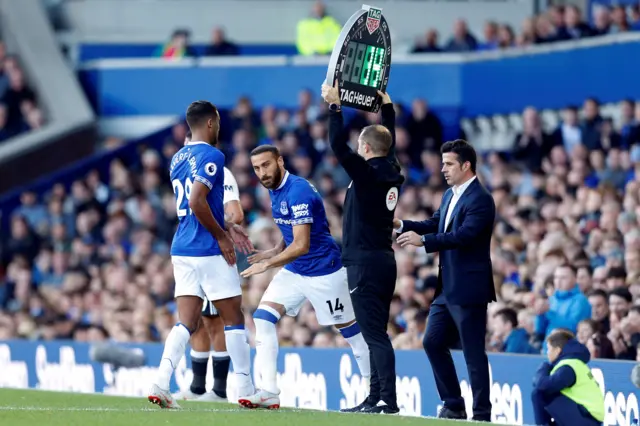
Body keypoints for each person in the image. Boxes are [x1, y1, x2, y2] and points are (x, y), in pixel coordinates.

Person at [238, 145, 371, 409]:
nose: (262, 172)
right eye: (256, 168)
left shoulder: (297, 191)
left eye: (266, 165)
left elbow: (302, 245)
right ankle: (269, 391)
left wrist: (269, 266)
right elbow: (290, 234)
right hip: (295, 270)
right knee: (262, 318)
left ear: (280, 161)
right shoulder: (275, 190)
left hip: (325, 271)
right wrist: (273, 251)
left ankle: (374, 390)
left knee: (351, 332)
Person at [148, 100, 255, 409]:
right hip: (208, 247)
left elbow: (194, 206)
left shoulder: (177, 158)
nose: (219, 127)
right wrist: (222, 236)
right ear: (210, 123)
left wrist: (227, 228)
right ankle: (246, 389)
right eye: (218, 121)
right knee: (233, 317)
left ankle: (160, 382)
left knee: (186, 321)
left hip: (181, 247)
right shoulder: (213, 155)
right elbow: (197, 202)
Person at [395, 139, 496, 421]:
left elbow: (463, 236)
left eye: (449, 164)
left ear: (466, 166)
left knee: (473, 353)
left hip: (469, 287)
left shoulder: (481, 199)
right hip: (446, 287)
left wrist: (424, 241)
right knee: (432, 341)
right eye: (442, 163)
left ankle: (481, 414)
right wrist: (402, 224)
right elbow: (435, 223)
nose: (443, 169)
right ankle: (453, 403)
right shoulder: (450, 195)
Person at [321, 81, 404, 414]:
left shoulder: (369, 174)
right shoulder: (391, 169)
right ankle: (375, 397)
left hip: (365, 264)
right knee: (374, 333)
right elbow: (389, 139)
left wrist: (334, 107)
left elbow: (336, 145)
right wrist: (388, 110)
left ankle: (388, 399)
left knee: (375, 335)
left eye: (361, 145)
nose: (357, 148)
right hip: (383, 260)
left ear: (366, 149)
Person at [173, 131, 245, 402]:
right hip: (193, 252)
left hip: (213, 253)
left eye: (189, 141)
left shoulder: (220, 173)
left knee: (217, 323)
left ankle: (220, 389)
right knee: (197, 323)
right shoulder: (185, 172)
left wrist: (219, 226)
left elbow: (236, 214)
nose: (185, 147)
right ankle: (197, 387)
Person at [531, 329, 605, 426]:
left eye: (549, 349)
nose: (547, 353)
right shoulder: (574, 363)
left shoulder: (568, 367)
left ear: (557, 350)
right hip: (587, 415)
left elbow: (542, 385)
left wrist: (543, 368)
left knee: (538, 393)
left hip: (586, 417)